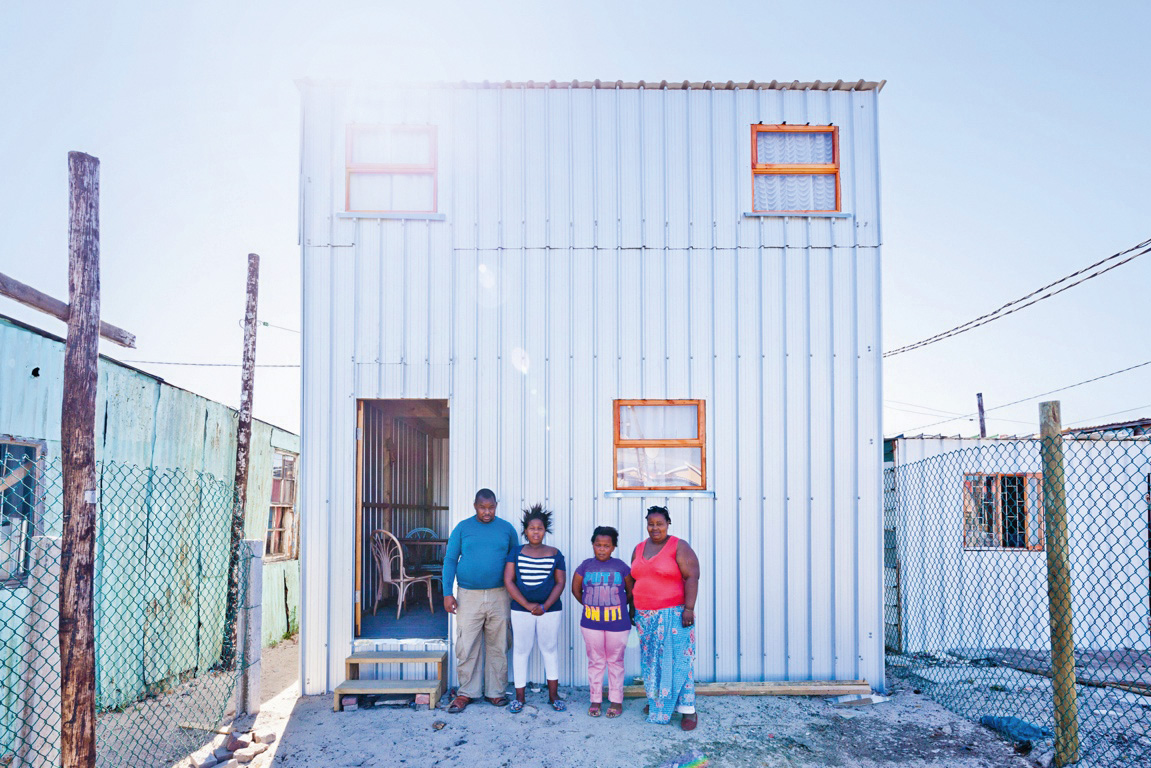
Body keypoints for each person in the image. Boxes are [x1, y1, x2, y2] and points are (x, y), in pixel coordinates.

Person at [442, 488, 519, 713]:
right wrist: (448, 592)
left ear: (496, 505)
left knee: (499, 643)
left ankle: (495, 692)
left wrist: (517, 595)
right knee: (467, 645)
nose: (487, 512)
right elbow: (450, 560)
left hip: (500, 594)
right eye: (483, 507)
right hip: (468, 595)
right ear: (475, 505)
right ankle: (467, 692)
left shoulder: (507, 529)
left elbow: (516, 562)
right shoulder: (463, 528)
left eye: (491, 507)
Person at [626, 505, 701, 729]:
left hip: (674, 614)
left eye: (660, 523)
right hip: (645, 615)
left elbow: (692, 576)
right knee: (652, 663)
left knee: (679, 661)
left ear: (668, 524)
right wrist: (632, 608)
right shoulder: (638, 548)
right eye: (651, 523)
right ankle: (657, 700)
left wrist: (689, 608)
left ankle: (688, 710)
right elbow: (634, 581)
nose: (655, 527)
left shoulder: (678, 546)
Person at [503, 504, 567, 713]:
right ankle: (520, 698)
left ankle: (553, 695)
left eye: (540, 528)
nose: (536, 532)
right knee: (521, 651)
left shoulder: (556, 553)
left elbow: (560, 583)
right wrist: (528, 605)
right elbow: (509, 581)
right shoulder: (516, 552)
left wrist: (545, 606)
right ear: (525, 530)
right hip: (522, 610)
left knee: (549, 649)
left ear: (545, 530)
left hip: (550, 610)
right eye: (532, 528)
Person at [571, 525, 632, 718]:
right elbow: (576, 589)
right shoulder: (585, 566)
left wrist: (617, 607)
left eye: (607, 545)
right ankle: (595, 699)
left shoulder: (621, 567)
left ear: (613, 547)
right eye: (598, 545)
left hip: (618, 624)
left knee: (615, 661)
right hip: (591, 623)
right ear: (592, 545)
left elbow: (631, 592)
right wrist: (592, 605)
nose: (602, 549)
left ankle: (616, 700)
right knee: (596, 661)